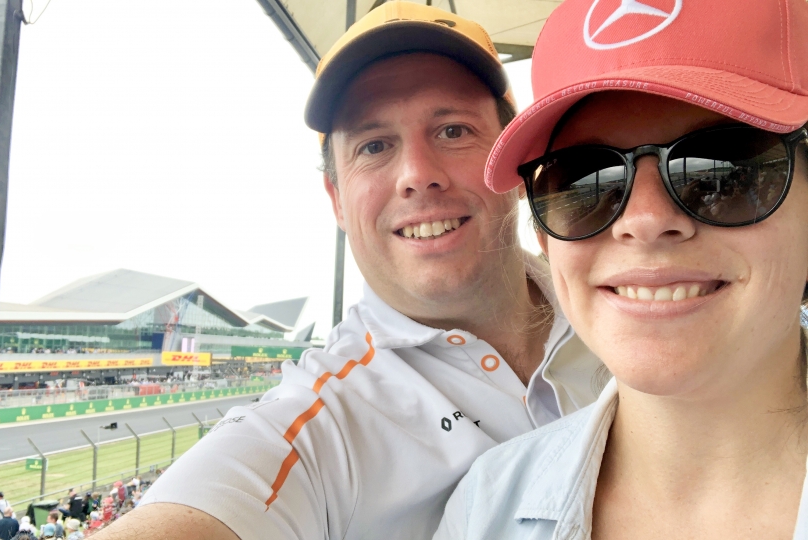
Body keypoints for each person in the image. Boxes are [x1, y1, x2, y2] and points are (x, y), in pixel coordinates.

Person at [93, 2, 602, 539]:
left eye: (453, 131)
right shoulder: (317, 427)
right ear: (336, 197)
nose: (417, 175)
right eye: (374, 145)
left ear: (515, 164)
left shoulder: (635, 299)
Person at [434, 0, 808, 538]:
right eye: (586, 179)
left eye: (725, 167)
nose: (646, 220)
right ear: (543, 234)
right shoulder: (486, 507)